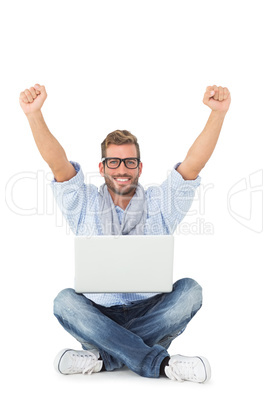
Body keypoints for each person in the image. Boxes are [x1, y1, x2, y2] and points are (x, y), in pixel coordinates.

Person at [19, 83, 231, 383]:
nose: (122, 169)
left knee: (191, 291)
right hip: (98, 313)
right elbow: (57, 162)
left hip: (151, 312)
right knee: (65, 302)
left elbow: (194, 163)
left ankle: (105, 358)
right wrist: (34, 114)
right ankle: (160, 364)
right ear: (102, 167)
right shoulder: (84, 202)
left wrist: (218, 114)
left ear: (140, 167)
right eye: (114, 161)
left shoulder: (161, 203)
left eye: (129, 162)